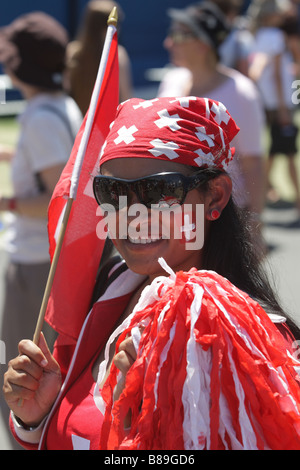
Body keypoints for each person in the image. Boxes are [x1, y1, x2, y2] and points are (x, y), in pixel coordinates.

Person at [3, 96, 300, 450]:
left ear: (215, 197)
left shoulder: (254, 344)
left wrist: (146, 428)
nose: (131, 214)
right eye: (113, 191)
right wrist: (35, 419)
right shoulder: (110, 288)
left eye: (160, 191)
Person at [0, 12, 82, 361]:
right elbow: (55, 166)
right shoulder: (60, 103)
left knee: (18, 365)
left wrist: (7, 204)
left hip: (36, 260)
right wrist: (13, 155)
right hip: (48, 258)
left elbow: (57, 198)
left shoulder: (40, 118)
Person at [157, 2, 266, 232]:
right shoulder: (171, 82)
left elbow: (253, 163)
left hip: (222, 219)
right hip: (172, 213)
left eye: (178, 35)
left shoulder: (241, 92)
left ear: (202, 43)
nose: (168, 42)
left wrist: (255, 226)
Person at [247, 0, 300, 210]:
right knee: (288, 151)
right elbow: (277, 76)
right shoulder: (276, 37)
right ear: (271, 16)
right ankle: (296, 201)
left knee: (276, 150)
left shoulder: (258, 36)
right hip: (279, 104)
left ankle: (264, 189)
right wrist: (283, 108)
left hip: (267, 102)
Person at [65, 0, 133, 116]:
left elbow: (66, 92)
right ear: (106, 28)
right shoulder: (118, 55)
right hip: (109, 127)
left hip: (79, 126)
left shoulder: (72, 52)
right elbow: (127, 100)